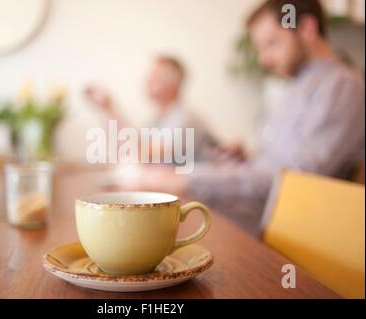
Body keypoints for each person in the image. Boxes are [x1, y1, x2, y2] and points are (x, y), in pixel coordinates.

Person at [125, 0, 365, 236]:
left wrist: (189, 179)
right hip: (260, 215)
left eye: (272, 43)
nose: (263, 59)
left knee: (160, 226)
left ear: (307, 28)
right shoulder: (296, 87)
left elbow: (295, 180)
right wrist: (249, 158)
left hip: (288, 231)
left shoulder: (342, 86)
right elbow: (280, 163)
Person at [84, 55, 225, 162]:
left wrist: (110, 108)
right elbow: (128, 148)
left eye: (155, 75)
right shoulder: (156, 121)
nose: (147, 80)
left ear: (174, 83)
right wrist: (106, 109)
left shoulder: (189, 122)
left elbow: (142, 155)